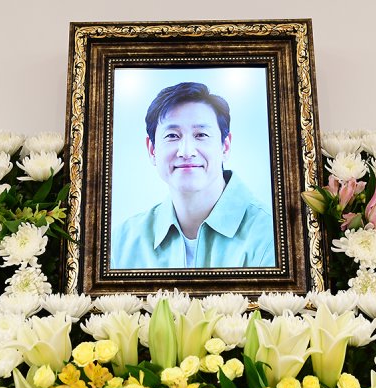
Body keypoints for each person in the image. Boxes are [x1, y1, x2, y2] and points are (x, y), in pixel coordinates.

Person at [111, 82, 275, 269]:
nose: (186, 151)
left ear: (225, 146)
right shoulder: (122, 243)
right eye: (172, 136)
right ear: (152, 150)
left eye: (201, 135)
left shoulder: (271, 235)